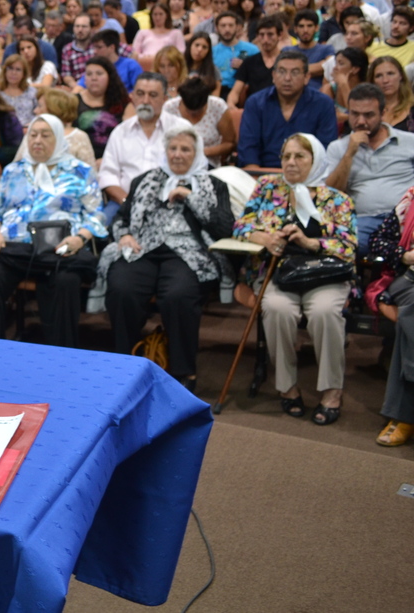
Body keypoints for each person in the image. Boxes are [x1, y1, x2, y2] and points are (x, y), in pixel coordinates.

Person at [234, 133, 356, 426]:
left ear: (316, 161)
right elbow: (240, 226)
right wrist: (264, 237)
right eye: (286, 156)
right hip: (280, 272)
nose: (291, 162)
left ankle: (332, 391)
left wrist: (310, 242)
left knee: (325, 312)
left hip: (324, 274)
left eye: (300, 156)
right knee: (277, 309)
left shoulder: (337, 199)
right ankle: (287, 387)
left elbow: (349, 247)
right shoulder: (267, 187)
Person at [102, 124, 234, 391]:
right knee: (122, 288)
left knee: (178, 295)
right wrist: (124, 235)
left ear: (197, 153)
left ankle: (183, 371)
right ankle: (125, 363)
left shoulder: (214, 184)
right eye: (172, 148)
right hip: (144, 248)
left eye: (185, 149)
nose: (177, 154)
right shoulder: (144, 180)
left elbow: (224, 227)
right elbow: (121, 218)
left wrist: (190, 196)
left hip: (190, 252)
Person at [0, 114, 105, 345]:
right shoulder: (13, 171)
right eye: (33, 135)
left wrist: (79, 239)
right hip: (14, 249)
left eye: (45, 135)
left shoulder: (80, 171)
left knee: (66, 280)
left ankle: (62, 351)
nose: (37, 140)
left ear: (59, 139)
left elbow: (96, 215)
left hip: (59, 249)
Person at [323, 83, 414, 253]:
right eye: (354, 114)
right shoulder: (338, 148)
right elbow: (331, 194)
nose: (360, 121)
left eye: (368, 115)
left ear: (383, 113)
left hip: (405, 219)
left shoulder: (409, 142)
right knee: (343, 245)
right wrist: (349, 154)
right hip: (364, 220)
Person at [99, 73, 183, 222]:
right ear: (132, 97)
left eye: (153, 95)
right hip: (124, 203)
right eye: (140, 94)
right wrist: (128, 203)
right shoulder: (120, 132)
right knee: (98, 226)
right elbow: (108, 175)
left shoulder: (181, 130)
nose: (145, 101)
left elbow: (195, 173)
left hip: (169, 204)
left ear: (165, 99)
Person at [236, 49, 337, 169]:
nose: (287, 78)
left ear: (306, 77)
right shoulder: (255, 103)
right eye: (282, 72)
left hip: (307, 175)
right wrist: (257, 177)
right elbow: (248, 150)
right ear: (273, 76)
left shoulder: (323, 104)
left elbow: (325, 151)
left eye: (295, 72)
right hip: (262, 173)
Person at [368, 184, 414, 446]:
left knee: (409, 319)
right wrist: (404, 256)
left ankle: (403, 415)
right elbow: (377, 241)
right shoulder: (411, 200)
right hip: (409, 280)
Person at [12, 87, 95, 167]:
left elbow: (90, 172)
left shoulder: (79, 136)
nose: (35, 111)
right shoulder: (33, 132)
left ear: (54, 110)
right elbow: (16, 165)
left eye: (40, 106)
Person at [164, 76, 236, 166]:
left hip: (207, 162)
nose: (192, 114)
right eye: (189, 110)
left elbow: (230, 143)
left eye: (198, 111)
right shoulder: (169, 108)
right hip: (173, 161)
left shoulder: (218, 106)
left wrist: (202, 152)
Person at [75, 55, 131, 159]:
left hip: (115, 158)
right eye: (89, 74)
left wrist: (107, 160)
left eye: (99, 74)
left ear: (110, 77)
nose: (94, 78)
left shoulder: (124, 103)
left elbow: (130, 137)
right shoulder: (74, 101)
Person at [227, 17, 288, 109]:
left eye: (270, 34)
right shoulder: (249, 62)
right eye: (262, 35)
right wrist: (231, 104)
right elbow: (235, 91)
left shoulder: (288, 61)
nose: (265, 40)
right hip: (255, 109)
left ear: (280, 35)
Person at [131, 2, 186, 69]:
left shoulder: (176, 33)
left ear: (167, 15)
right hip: (144, 65)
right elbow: (134, 53)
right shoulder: (142, 32)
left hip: (167, 65)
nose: (158, 17)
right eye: (155, 14)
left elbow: (180, 53)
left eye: (161, 14)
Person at [369, 55, 414, 132]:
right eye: (379, 76)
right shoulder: (365, 111)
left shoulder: (412, 108)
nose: (385, 80)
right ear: (373, 81)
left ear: (401, 76)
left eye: (390, 74)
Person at [0, 53, 37, 125]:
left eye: (18, 69)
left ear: (24, 74)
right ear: (5, 71)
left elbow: (39, 114)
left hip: (28, 129)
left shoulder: (32, 92)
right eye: (10, 68)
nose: (13, 73)